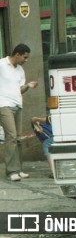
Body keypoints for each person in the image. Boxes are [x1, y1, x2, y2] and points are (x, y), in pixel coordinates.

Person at [0, 44, 38, 182]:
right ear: (17, 54)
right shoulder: (2, 64)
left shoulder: (20, 70)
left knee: (18, 138)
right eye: (25, 57)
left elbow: (19, 90)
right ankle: (11, 171)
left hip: (17, 104)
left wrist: (28, 86)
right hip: (3, 105)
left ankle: (18, 169)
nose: (26, 60)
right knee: (11, 136)